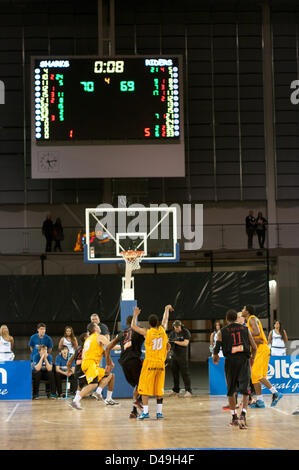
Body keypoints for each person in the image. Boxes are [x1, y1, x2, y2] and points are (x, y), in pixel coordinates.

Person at [213, 309, 257, 429]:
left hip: (230, 362)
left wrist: (215, 357)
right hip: (243, 360)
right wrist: (252, 359)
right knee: (245, 389)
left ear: (227, 319)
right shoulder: (245, 329)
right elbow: (254, 347)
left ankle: (234, 417)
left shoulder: (222, 331)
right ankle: (243, 414)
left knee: (231, 390)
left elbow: (216, 348)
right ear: (236, 319)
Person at [131, 304, 173, 420]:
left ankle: (145, 412)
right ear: (158, 323)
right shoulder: (162, 330)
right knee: (159, 388)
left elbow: (133, 326)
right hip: (160, 364)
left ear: (149, 324)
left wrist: (135, 315)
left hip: (150, 363)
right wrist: (166, 309)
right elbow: (166, 319)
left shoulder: (147, 332)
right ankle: (159, 413)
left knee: (145, 388)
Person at [242, 304, 283, 408]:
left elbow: (256, 332)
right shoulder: (248, 321)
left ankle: (276, 393)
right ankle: (260, 401)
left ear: (247, 311)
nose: (242, 310)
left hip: (262, 349)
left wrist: (245, 332)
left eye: (243, 309)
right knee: (255, 377)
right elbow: (255, 338)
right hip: (259, 350)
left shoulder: (251, 319)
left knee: (255, 373)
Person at [70, 322, 117, 410]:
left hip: (87, 364)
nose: (99, 327)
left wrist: (109, 362)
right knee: (93, 384)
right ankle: (75, 401)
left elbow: (103, 351)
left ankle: (99, 393)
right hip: (90, 363)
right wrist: (120, 343)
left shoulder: (88, 339)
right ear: (95, 329)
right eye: (97, 326)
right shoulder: (99, 336)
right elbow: (110, 346)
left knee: (109, 375)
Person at [106, 314, 145, 418]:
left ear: (126, 323)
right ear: (134, 322)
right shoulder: (138, 331)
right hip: (134, 360)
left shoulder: (121, 333)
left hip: (124, 363)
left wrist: (108, 363)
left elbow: (108, 347)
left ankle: (134, 411)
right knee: (143, 383)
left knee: (137, 386)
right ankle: (138, 402)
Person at [168, 320, 192, 397]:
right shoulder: (172, 333)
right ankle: (176, 390)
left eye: (177, 327)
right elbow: (169, 344)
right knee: (175, 374)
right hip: (173, 356)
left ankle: (188, 390)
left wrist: (175, 342)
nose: (176, 329)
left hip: (182, 356)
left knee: (185, 374)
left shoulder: (185, 332)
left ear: (181, 326)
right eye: (175, 327)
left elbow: (185, 343)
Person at [67, 332, 89, 401]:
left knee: (80, 385)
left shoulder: (78, 349)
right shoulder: (86, 348)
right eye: (88, 335)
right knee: (94, 383)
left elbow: (69, 362)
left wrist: (69, 370)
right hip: (82, 370)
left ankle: (75, 400)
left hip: (77, 371)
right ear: (85, 338)